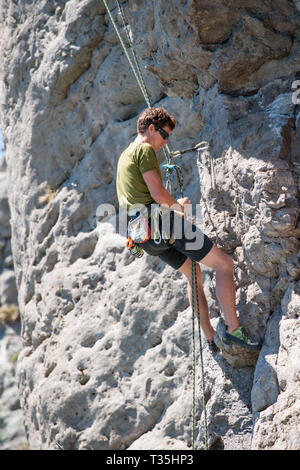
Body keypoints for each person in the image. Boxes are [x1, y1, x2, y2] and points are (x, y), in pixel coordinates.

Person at [117, 107, 261, 351]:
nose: (165, 143)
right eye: (164, 135)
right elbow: (156, 193)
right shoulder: (144, 149)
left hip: (143, 237)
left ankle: (209, 336)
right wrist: (178, 208)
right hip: (160, 223)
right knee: (224, 264)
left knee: (193, 273)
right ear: (151, 129)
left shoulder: (124, 157)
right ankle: (234, 329)